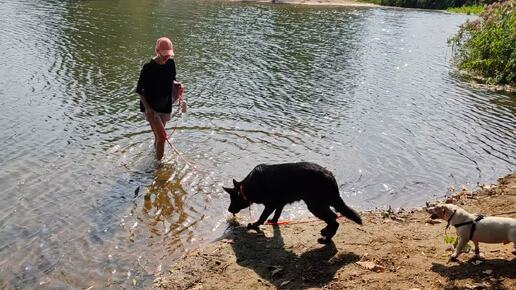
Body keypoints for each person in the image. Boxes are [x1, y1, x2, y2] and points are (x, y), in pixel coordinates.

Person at [136, 37, 184, 160]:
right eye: (164, 55)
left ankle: (155, 155)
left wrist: (177, 84)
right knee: (162, 136)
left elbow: (172, 79)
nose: (167, 57)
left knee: (159, 136)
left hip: (165, 104)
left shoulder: (171, 63)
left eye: (169, 55)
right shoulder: (148, 68)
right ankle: (158, 167)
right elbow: (140, 90)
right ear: (157, 51)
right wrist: (147, 108)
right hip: (151, 107)